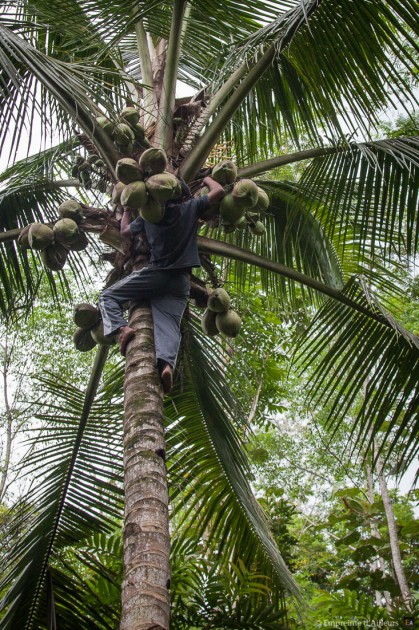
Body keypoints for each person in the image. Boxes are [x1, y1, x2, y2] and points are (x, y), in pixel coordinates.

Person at [99, 175, 224, 394]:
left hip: (156, 274)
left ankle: (121, 329)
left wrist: (127, 208)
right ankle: (166, 365)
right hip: (181, 282)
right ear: (183, 195)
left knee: (108, 297)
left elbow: (125, 232)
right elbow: (219, 192)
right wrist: (206, 178)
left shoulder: (149, 216)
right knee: (169, 324)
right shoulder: (190, 208)